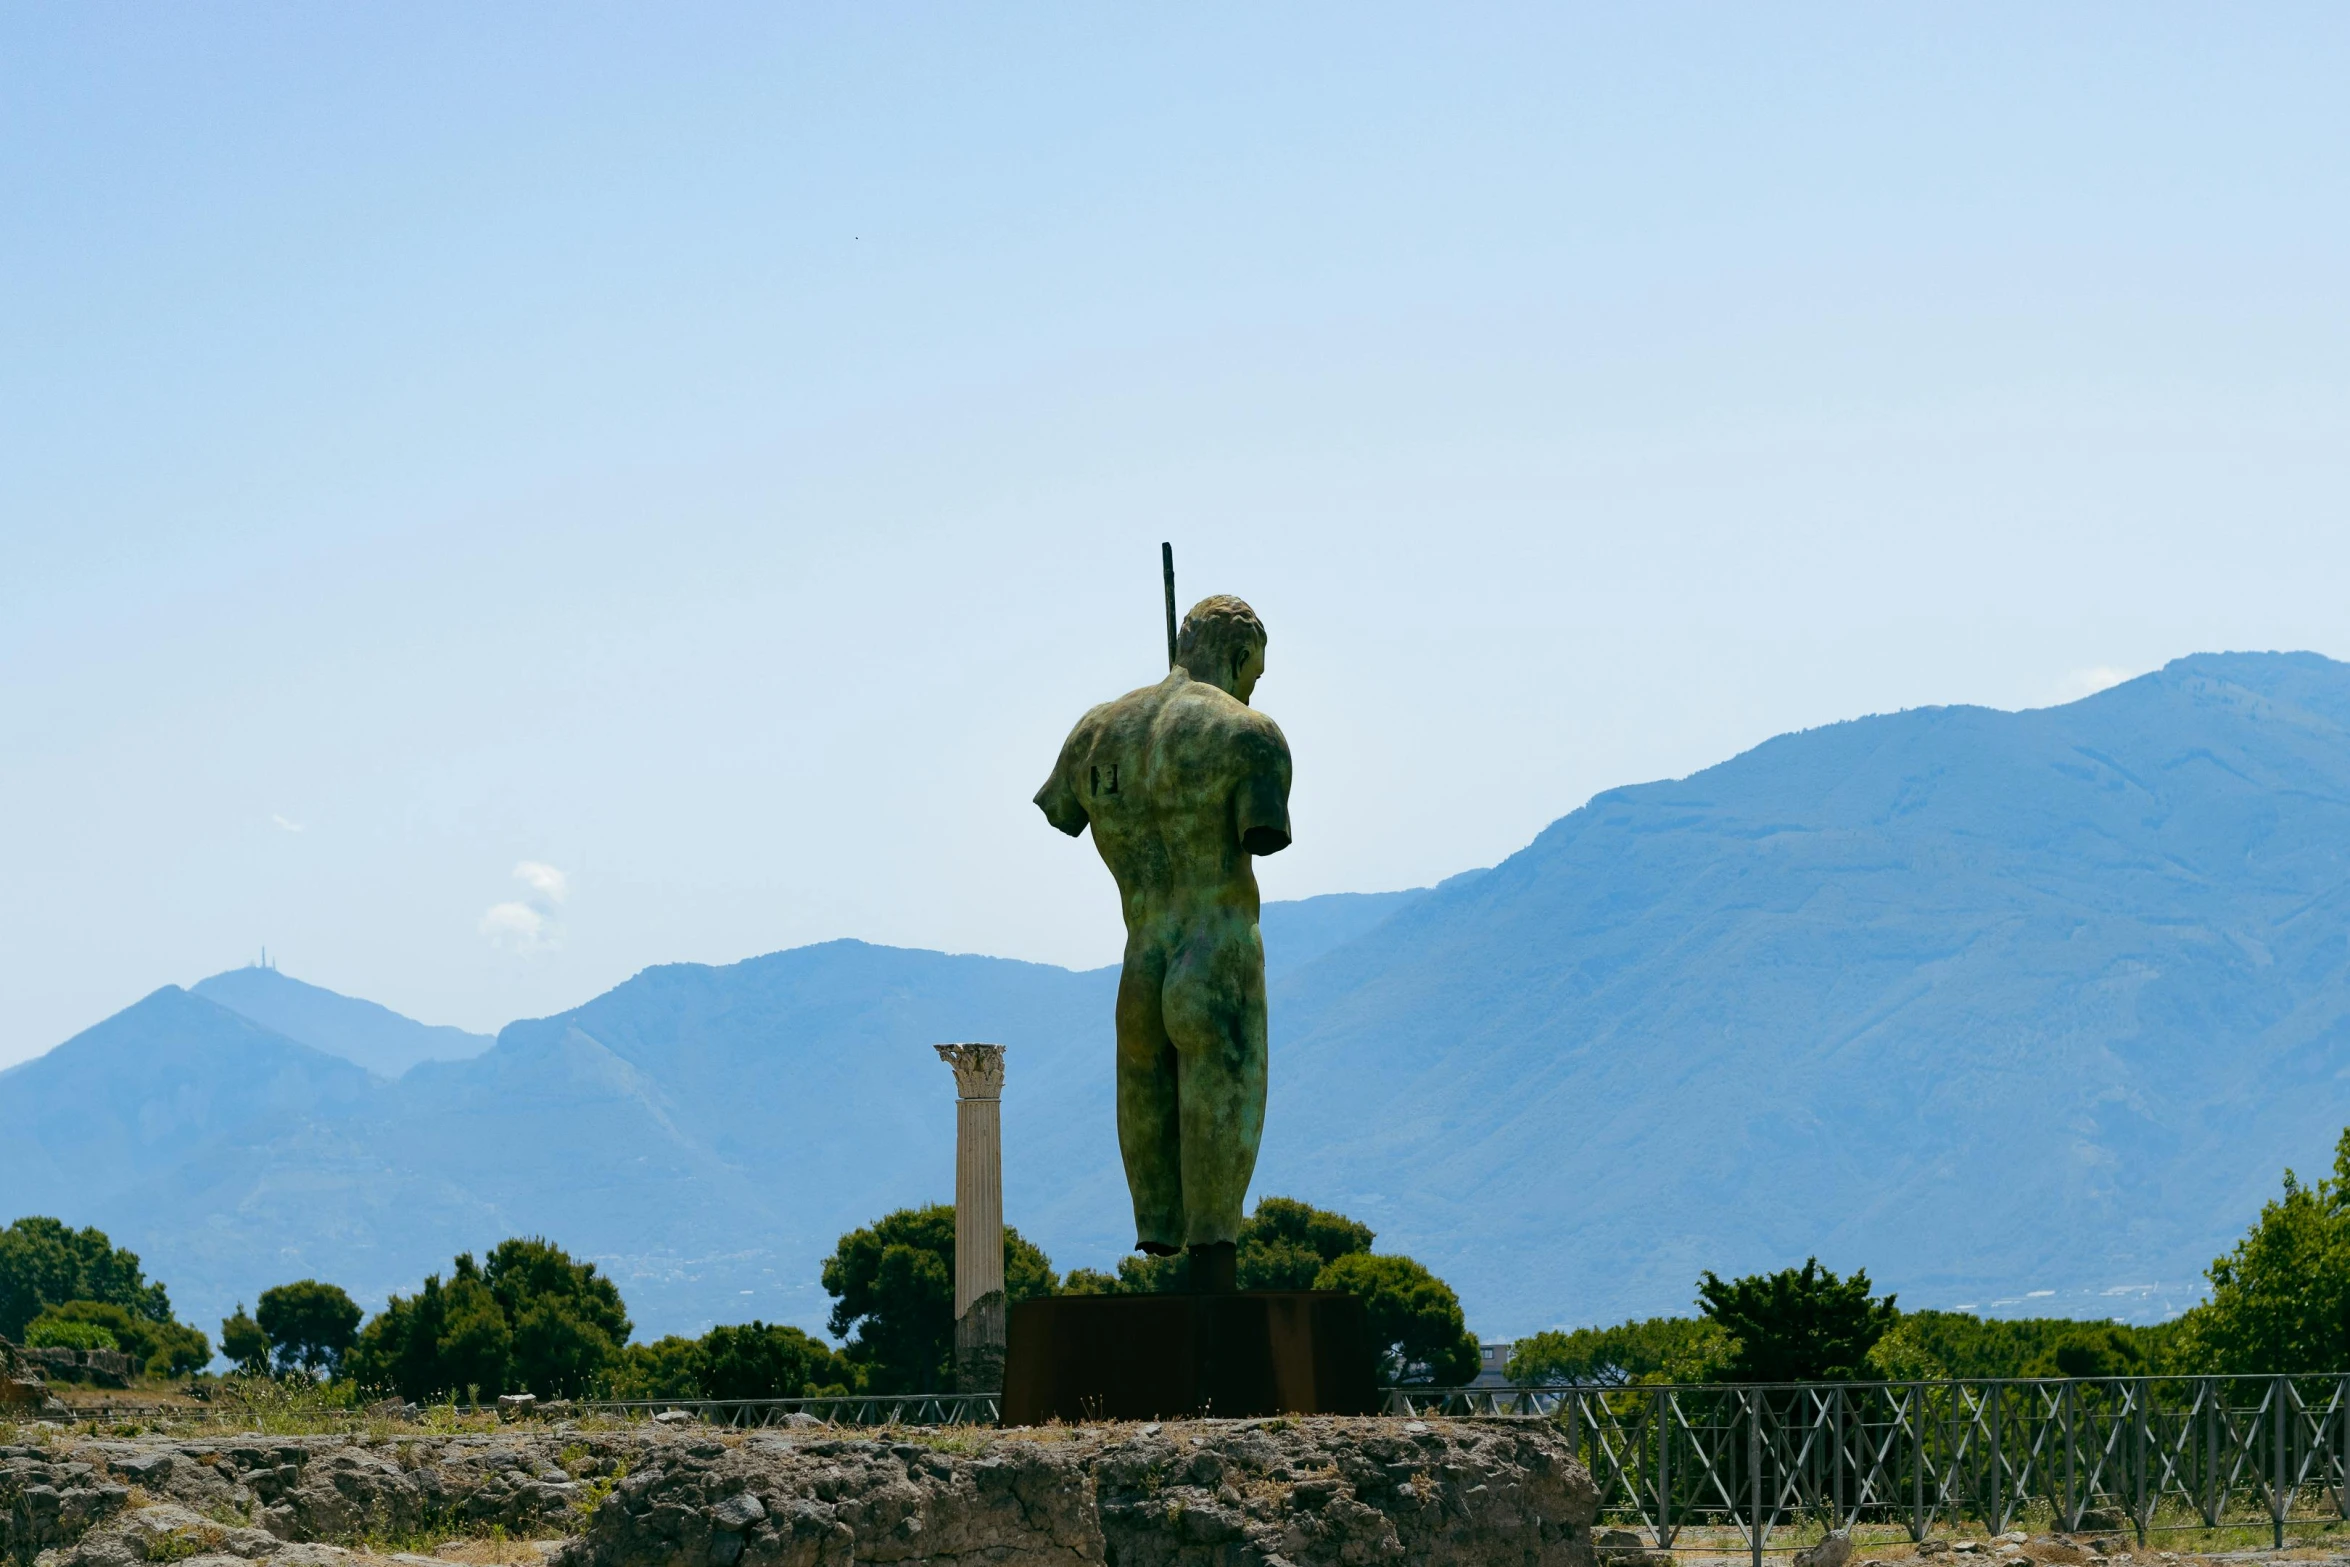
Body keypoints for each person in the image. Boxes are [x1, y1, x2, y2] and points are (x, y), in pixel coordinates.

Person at [1034, 594, 1292, 1291]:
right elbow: (1261, 835)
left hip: (1140, 963)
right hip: (1216, 956)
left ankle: (1155, 1224)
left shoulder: (1096, 731)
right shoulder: (1249, 733)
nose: (1254, 686)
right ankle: (1213, 1254)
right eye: (1255, 672)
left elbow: (1061, 810)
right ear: (1238, 656)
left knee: (1149, 1117)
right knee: (1225, 1120)